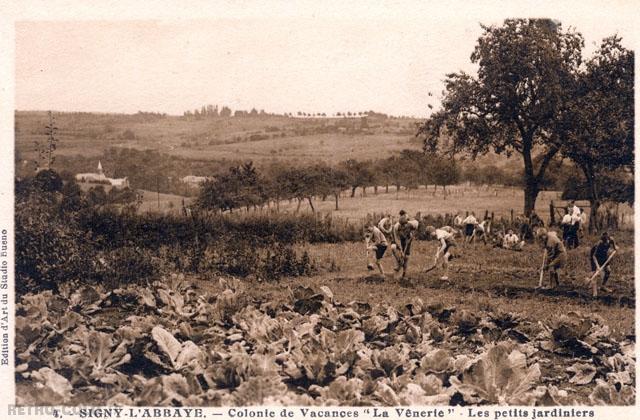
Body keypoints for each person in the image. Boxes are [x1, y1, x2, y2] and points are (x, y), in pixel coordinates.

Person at [391, 210, 419, 278]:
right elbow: (397, 239)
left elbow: (416, 227)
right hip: (399, 239)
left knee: (406, 257)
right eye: (402, 226)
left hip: (407, 239)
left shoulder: (411, 224)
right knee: (396, 250)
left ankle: (404, 272)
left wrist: (411, 237)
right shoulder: (396, 227)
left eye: (404, 225)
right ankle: (399, 264)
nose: (403, 227)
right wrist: (401, 250)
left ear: (407, 223)